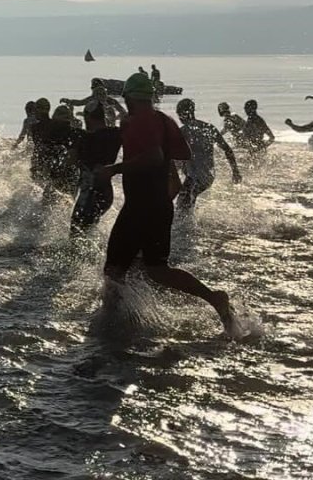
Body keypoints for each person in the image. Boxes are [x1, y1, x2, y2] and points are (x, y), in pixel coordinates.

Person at [94, 74, 234, 332]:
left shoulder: (139, 122)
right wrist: (160, 205)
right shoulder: (163, 120)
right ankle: (214, 298)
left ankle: (109, 325)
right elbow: (177, 165)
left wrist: (114, 169)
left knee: (113, 270)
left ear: (130, 98)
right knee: (157, 269)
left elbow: (155, 156)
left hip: (140, 206)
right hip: (159, 205)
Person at [175, 99, 241, 209]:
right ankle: (191, 222)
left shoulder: (182, 131)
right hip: (208, 177)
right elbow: (227, 150)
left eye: (178, 115)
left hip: (194, 178)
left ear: (182, 114)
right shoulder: (209, 128)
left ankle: (187, 225)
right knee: (188, 201)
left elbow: (175, 158)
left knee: (183, 204)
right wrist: (235, 171)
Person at [69, 101, 123, 237]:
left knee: (76, 232)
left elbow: (71, 160)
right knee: (88, 229)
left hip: (89, 193)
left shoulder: (83, 137)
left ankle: (89, 257)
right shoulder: (116, 134)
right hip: (106, 193)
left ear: (88, 117)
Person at [35, 106, 83, 203]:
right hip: (67, 172)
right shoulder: (75, 132)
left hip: (64, 172)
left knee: (51, 202)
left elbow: (44, 152)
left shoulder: (52, 131)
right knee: (67, 202)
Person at [61, 79, 126, 128]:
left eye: (103, 93)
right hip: (95, 127)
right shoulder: (91, 99)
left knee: (110, 112)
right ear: (94, 93)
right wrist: (69, 101)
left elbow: (123, 112)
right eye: (98, 94)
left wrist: (116, 118)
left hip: (108, 127)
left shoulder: (110, 101)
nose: (102, 96)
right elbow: (79, 102)